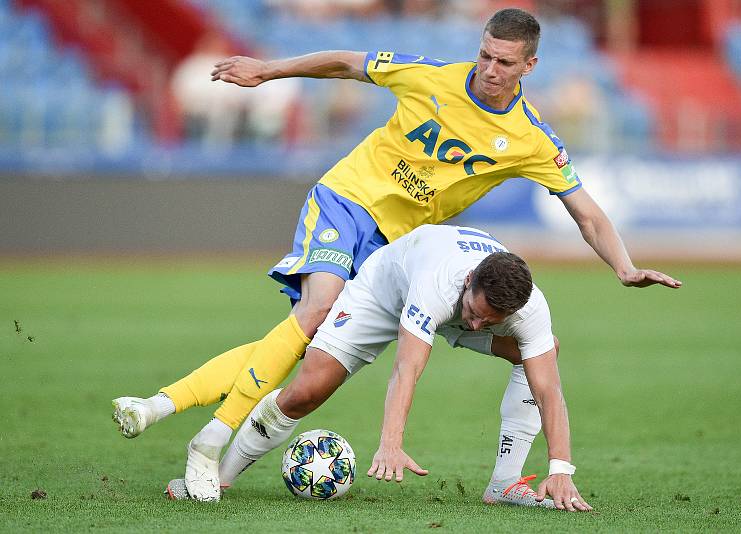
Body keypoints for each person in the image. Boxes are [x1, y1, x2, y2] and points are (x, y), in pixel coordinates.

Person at [112, 8, 681, 502]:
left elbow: (587, 212)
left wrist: (624, 266)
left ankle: (163, 404)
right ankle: (210, 443)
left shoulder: (532, 139)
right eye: (485, 55)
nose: (489, 69)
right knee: (312, 314)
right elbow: (346, 63)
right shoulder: (431, 75)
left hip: (393, 249)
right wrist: (267, 70)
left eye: (505, 63)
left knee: (306, 354)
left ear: (529, 67)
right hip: (346, 200)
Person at [169, 224, 593, 511]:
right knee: (308, 391)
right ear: (468, 283)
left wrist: (561, 469)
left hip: (449, 307)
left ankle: (504, 482)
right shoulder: (439, 283)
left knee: (541, 354)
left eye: (491, 320)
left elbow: (548, 390)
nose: (479, 325)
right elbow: (406, 369)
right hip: (382, 295)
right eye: (476, 312)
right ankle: (218, 477)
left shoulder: (528, 307)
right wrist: (391, 442)